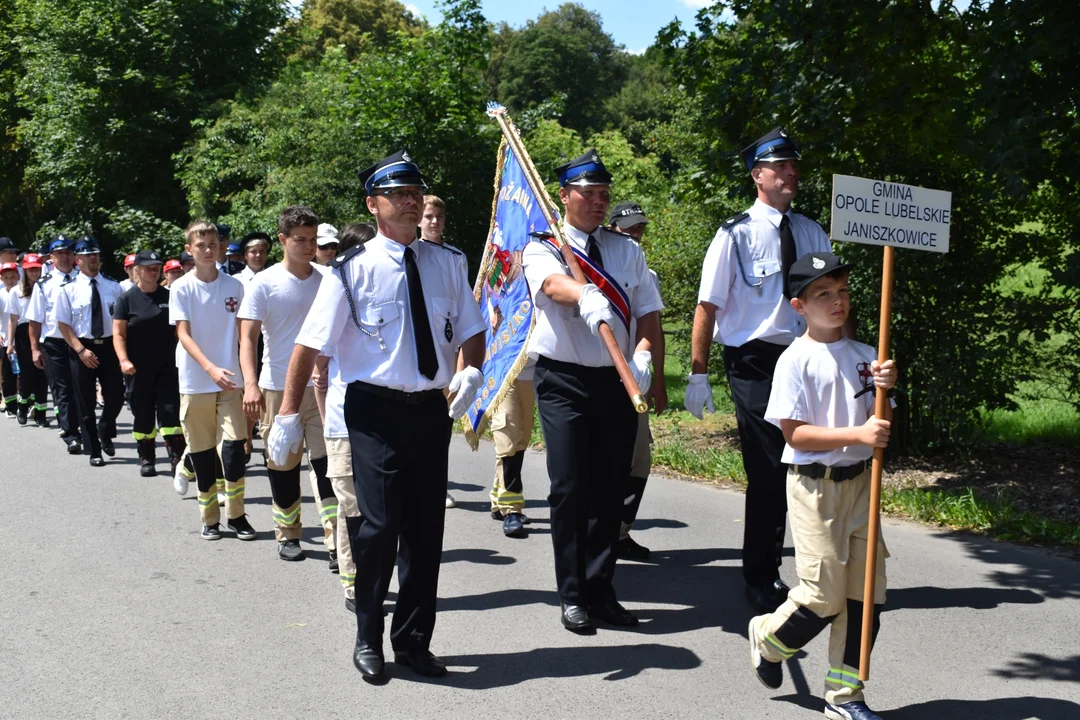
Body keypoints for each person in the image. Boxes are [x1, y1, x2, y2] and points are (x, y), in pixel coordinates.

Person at [269, 151, 486, 683]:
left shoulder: (449, 262)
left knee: (425, 531)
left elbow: (472, 329)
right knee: (379, 528)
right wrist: (288, 414)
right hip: (373, 411)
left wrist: (472, 371)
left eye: (415, 193)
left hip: (429, 411)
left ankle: (413, 641)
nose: (410, 202)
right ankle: (368, 636)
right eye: (397, 195)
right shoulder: (351, 269)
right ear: (374, 205)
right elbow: (310, 344)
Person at [686, 127, 834, 613]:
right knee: (769, 469)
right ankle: (760, 575)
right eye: (781, 166)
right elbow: (707, 306)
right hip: (754, 362)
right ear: (758, 175)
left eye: (794, 166)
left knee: (812, 466)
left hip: (808, 358)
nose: (792, 173)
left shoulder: (810, 230)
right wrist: (698, 372)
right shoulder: (735, 235)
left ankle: (818, 571)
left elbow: (830, 299)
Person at [522, 149, 664, 634]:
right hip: (564, 380)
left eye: (605, 193)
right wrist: (583, 293)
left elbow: (647, 311)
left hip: (616, 381)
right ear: (564, 196)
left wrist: (644, 356)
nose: (599, 201)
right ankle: (572, 594)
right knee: (569, 487)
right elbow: (552, 285)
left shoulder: (627, 250)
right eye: (589, 193)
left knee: (609, 488)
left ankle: (602, 589)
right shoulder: (544, 244)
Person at [751, 252, 896, 720]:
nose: (838, 302)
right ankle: (768, 640)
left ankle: (845, 697)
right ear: (799, 305)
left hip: (860, 486)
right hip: (815, 488)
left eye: (844, 292)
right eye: (824, 295)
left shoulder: (865, 356)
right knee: (822, 595)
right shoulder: (795, 359)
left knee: (864, 595)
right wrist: (858, 434)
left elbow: (881, 426)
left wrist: (886, 392)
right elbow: (795, 434)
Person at [240, 206, 337, 564]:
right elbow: (247, 339)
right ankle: (288, 533)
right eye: (301, 240)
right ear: (282, 240)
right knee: (282, 462)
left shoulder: (328, 279)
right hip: (276, 388)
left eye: (313, 240)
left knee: (327, 463)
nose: (309, 246)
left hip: (322, 387)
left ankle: (334, 539)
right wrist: (250, 385)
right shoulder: (263, 283)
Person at [169, 221, 256, 542]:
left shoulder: (234, 286)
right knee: (203, 453)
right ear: (189, 249)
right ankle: (210, 519)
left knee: (234, 450)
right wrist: (210, 369)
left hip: (231, 381)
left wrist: (249, 377)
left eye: (213, 244)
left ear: (220, 247)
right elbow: (183, 334)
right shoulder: (182, 287)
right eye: (201, 245)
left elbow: (245, 335)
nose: (208, 250)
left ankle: (237, 515)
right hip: (196, 381)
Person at [310, 222, 377, 612]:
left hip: (380, 425)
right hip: (343, 425)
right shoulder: (335, 295)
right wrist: (330, 424)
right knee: (351, 509)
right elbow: (319, 374)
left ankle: (375, 575)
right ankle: (354, 585)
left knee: (379, 512)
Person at [605, 201, 669, 561]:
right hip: (602, 377)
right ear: (612, 228)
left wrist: (658, 381)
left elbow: (654, 331)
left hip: (637, 379)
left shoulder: (648, 275)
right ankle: (599, 533)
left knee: (638, 460)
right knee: (607, 460)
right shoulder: (596, 269)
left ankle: (620, 530)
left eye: (640, 229)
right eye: (628, 228)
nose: (635, 234)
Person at [54, 237, 126, 467]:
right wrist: (80, 350)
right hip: (82, 347)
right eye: (87, 255)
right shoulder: (69, 289)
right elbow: (63, 324)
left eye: (95, 254)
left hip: (109, 347)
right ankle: (94, 450)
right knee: (85, 402)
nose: (93, 258)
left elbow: (121, 321)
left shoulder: (113, 287)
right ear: (78, 260)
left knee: (115, 397)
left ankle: (104, 429)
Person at [113, 250, 185, 477]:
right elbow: (119, 334)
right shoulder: (127, 299)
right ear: (138, 271)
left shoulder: (169, 296)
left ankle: (177, 457)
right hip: (138, 368)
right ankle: (146, 456)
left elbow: (179, 331)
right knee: (143, 413)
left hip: (167, 366)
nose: (154, 272)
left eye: (157, 268)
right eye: (149, 268)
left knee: (170, 412)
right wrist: (123, 360)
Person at [418, 194, 467, 510]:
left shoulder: (455, 257)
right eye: (428, 216)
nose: (434, 221)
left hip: (446, 352)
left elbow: (463, 312)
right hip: (419, 352)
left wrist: (463, 366)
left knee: (440, 430)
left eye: (438, 216)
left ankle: (437, 484)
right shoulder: (412, 253)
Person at [26, 236, 81, 450]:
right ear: (52, 257)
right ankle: (71, 434)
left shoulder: (83, 280)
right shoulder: (44, 284)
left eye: (68, 252)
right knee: (63, 389)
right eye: (60, 253)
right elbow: (35, 320)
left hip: (80, 342)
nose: (65, 257)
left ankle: (86, 430)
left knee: (81, 388)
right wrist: (34, 349)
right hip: (55, 344)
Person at [6, 255, 50, 425]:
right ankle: (22, 408)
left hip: (43, 331)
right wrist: (11, 344)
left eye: (37, 269)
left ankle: (41, 414)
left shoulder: (47, 288)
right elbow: (13, 320)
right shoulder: (16, 292)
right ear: (24, 270)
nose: (35, 272)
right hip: (24, 333)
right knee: (26, 375)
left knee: (42, 375)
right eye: (31, 269)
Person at [0, 262, 19, 417]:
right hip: (5, 340)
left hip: (22, 338)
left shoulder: (22, 292)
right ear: (1, 279)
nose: (10, 280)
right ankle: (10, 404)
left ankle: (25, 402)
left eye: (13, 277)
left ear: (18, 276)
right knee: (8, 374)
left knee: (24, 372)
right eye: (6, 278)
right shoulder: (0, 295)